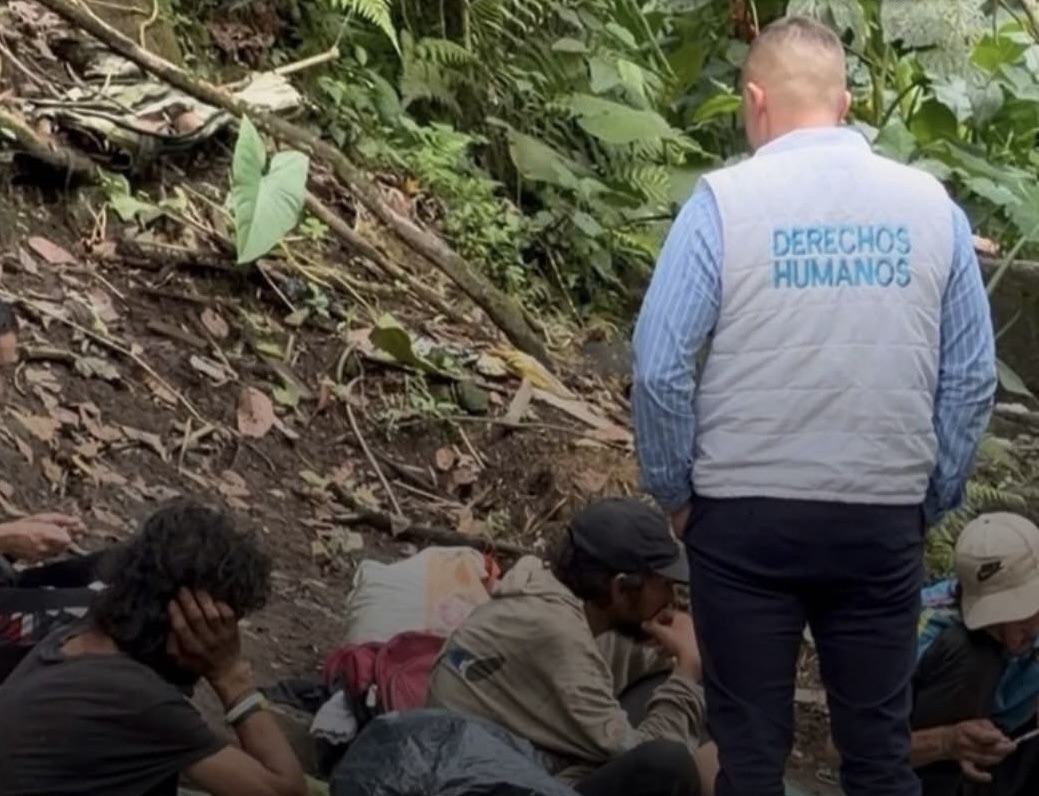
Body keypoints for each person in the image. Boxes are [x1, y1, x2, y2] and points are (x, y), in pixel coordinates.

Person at [630, 14, 997, 796]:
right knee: (877, 752)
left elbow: (660, 366)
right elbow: (969, 377)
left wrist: (675, 493)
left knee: (750, 752)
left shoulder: (722, 203)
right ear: (848, 103)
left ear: (754, 101)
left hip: (744, 523)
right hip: (877, 520)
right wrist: (927, 496)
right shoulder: (932, 208)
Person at [0, 499, 307, 796]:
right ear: (193, 622)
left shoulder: (77, 635)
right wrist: (232, 678)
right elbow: (286, 792)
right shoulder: (141, 700)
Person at [426, 497, 717, 796]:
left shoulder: (559, 594)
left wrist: (693, 650)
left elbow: (644, 661)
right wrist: (687, 669)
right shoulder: (557, 634)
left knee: (682, 690)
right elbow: (643, 752)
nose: (672, 599)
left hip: (523, 759)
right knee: (667, 763)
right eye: (665, 585)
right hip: (483, 784)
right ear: (620, 589)